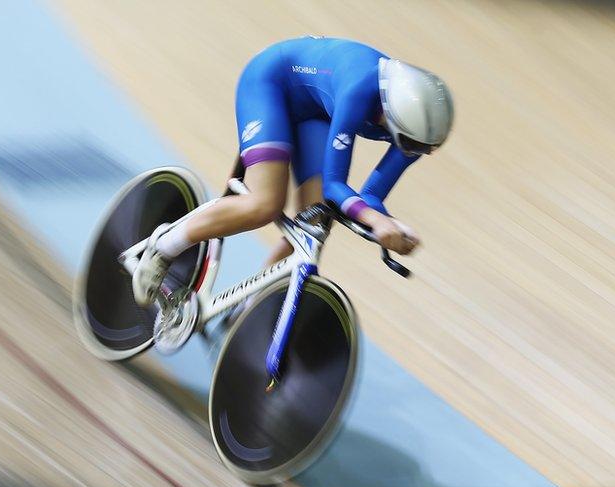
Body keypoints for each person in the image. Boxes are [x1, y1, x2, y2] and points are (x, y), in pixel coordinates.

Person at [133, 36, 454, 306]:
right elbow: (335, 186)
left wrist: (390, 223)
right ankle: (163, 246)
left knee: (313, 226)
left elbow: (369, 196)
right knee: (264, 204)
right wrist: (377, 221)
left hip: (315, 109)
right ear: (393, 113)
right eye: (407, 144)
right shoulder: (360, 91)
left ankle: (250, 309)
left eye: (419, 148)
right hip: (271, 84)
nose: (409, 152)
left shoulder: (417, 133)